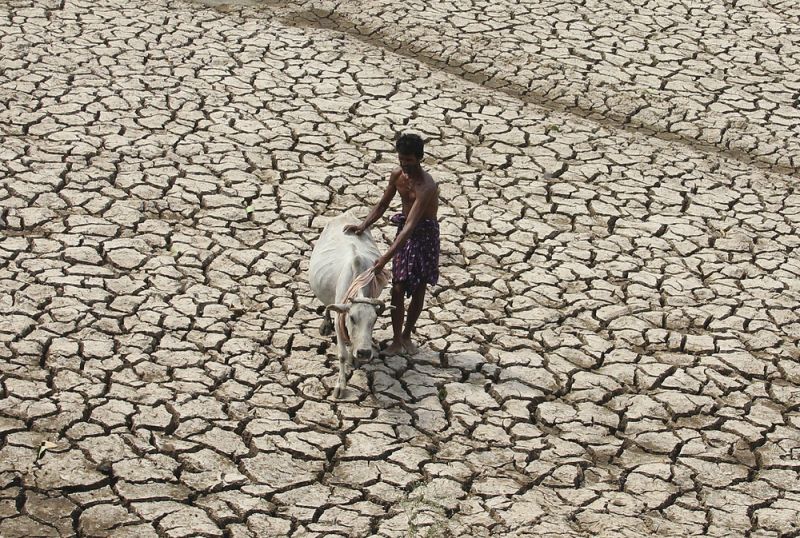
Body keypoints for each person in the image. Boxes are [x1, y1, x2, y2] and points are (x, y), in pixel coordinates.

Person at [344, 133, 440, 355]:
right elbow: (382, 205)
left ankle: (407, 336)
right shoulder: (398, 175)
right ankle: (396, 340)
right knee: (398, 287)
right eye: (402, 159)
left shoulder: (426, 187)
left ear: (419, 159)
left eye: (409, 160)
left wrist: (384, 259)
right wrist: (363, 225)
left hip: (423, 236)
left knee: (418, 287)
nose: (405, 165)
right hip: (404, 234)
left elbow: (411, 226)